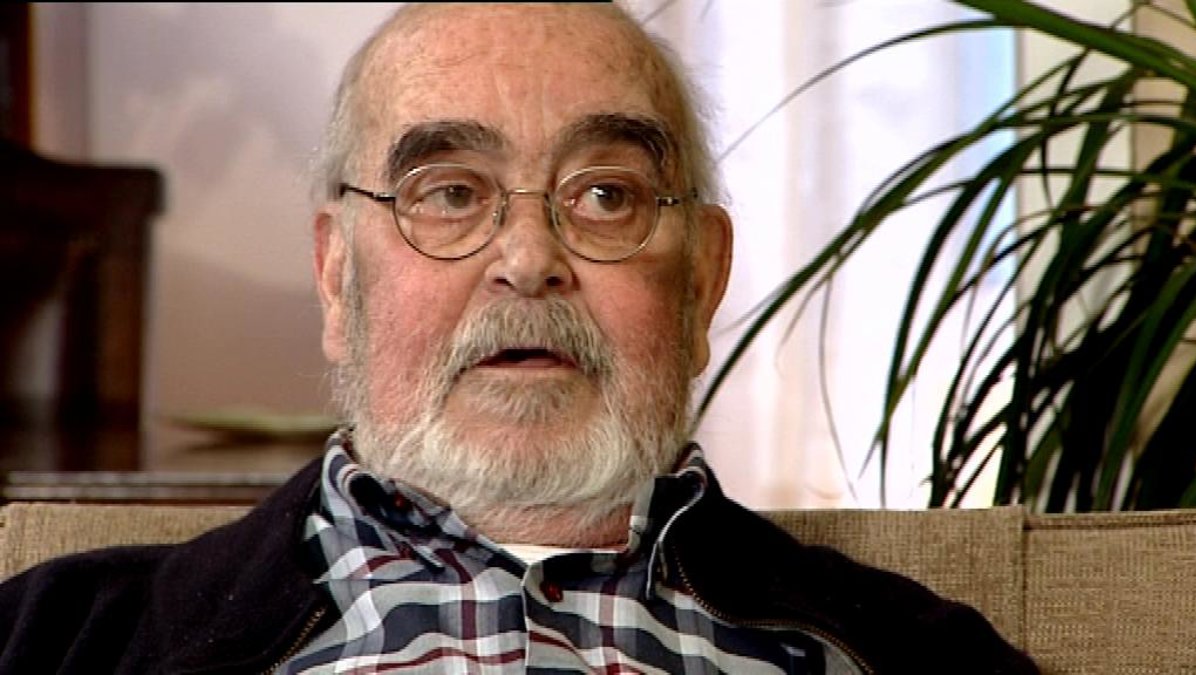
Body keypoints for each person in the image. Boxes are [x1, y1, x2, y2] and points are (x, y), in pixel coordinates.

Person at [0, 3, 1037, 673]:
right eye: (451, 192)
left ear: (701, 284)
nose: (529, 257)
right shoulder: (50, 640)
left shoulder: (921, 655)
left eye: (605, 194)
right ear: (337, 276)